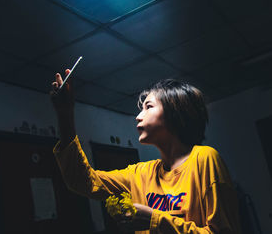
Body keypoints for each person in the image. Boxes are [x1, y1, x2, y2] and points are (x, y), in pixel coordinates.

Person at [50, 69, 241, 234]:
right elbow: (82, 181)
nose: (138, 117)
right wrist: (65, 114)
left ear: (176, 112)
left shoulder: (204, 159)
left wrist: (155, 220)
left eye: (148, 107)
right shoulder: (140, 173)